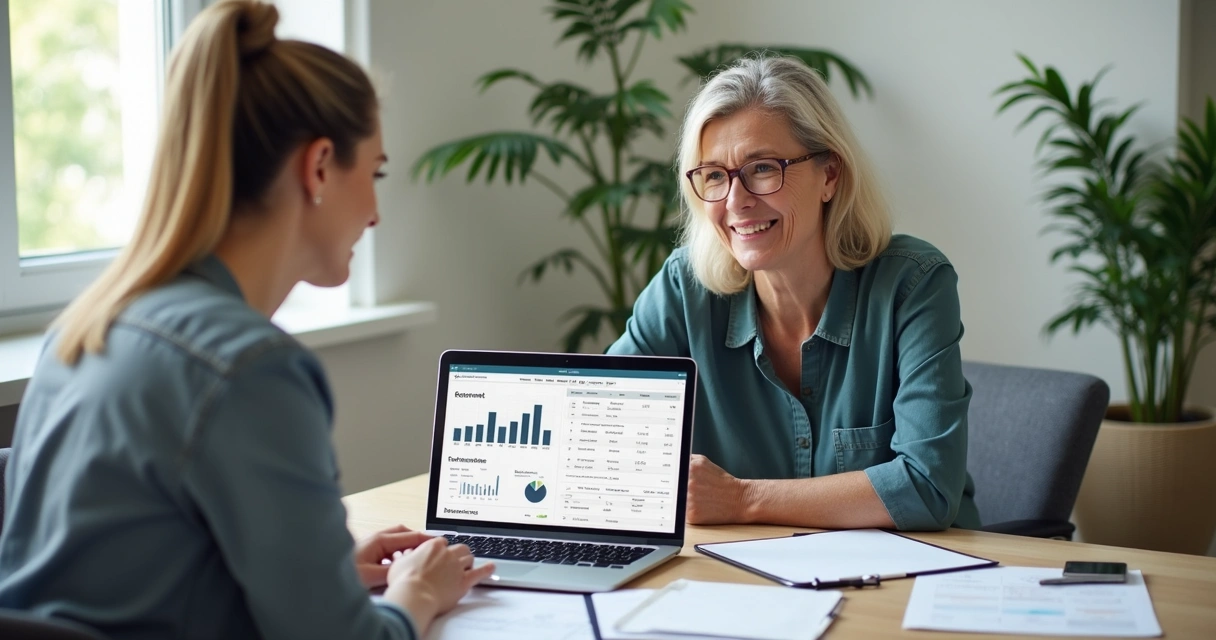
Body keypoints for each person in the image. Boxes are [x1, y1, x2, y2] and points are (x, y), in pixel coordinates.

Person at [0, 1, 493, 638]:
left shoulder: (87, 326)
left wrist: (324, 571)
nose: (375, 212)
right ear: (319, 166)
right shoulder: (250, 367)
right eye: (375, 172)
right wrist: (417, 593)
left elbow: (128, 568)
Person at [607, 55, 980, 532]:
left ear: (830, 175)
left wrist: (742, 499)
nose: (736, 202)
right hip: (735, 568)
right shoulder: (684, 288)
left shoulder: (912, 284)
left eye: (762, 168)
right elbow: (599, 431)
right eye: (714, 175)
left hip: (916, 567)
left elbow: (927, 488)